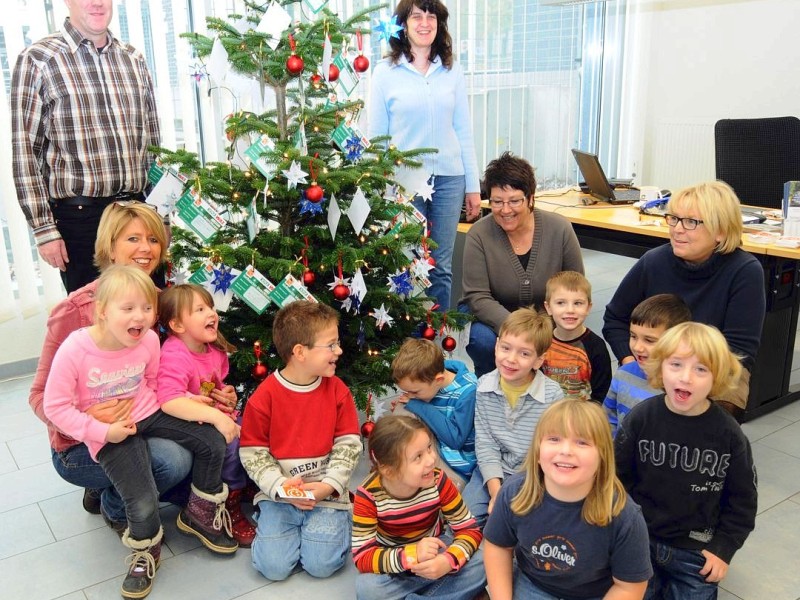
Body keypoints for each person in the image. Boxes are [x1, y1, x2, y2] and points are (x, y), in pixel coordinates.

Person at [43, 266, 238, 599]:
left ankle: (200, 512)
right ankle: (145, 550)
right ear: (102, 311)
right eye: (128, 308)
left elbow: (151, 387)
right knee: (143, 495)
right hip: (109, 431)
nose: (141, 317)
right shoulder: (76, 349)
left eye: (147, 308)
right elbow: (55, 408)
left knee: (211, 440)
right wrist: (101, 431)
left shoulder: (148, 339)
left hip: (148, 412)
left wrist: (198, 403)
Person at [28, 201, 191, 532]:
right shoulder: (75, 311)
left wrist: (208, 393)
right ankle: (115, 506)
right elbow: (39, 396)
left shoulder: (166, 303)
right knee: (171, 462)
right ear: (110, 248)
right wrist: (88, 422)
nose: (146, 248)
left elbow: (172, 373)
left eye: (154, 239)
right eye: (133, 239)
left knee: (197, 441)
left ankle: (110, 488)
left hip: (142, 422)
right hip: (80, 444)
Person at [11, 0, 160, 293]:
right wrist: (44, 230)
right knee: (93, 322)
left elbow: (154, 146)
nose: (96, 3)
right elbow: (26, 152)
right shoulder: (39, 59)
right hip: (81, 220)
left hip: (138, 214)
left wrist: (160, 215)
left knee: (148, 315)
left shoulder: (133, 59)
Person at [615, 322, 758, 599]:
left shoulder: (728, 434)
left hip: (697, 553)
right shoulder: (641, 418)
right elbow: (617, 478)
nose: (686, 378)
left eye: (701, 369)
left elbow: (743, 499)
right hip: (640, 541)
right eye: (676, 365)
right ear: (660, 368)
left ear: (717, 376)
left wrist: (723, 549)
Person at [603, 181, 765, 416]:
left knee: (702, 427)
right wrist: (630, 361)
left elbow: (739, 351)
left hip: (713, 370)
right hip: (653, 362)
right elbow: (615, 317)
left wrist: (684, 375)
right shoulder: (653, 261)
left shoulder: (745, 271)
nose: (677, 229)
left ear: (720, 231)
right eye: (674, 218)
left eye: (691, 222)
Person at [369, 0, 481, 310]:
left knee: (441, 264)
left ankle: (437, 345)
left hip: (449, 178)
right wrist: (380, 189)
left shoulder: (451, 70)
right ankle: (411, 347)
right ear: (403, 24)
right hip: (404, 182)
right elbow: (377, 138)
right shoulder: (384, 72)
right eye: (417, 15)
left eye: (431, 16)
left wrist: (473, 187)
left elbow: (463, 131)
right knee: (408, 260)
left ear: (439, 23)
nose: (424, 22)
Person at [240, 300, 362, 581]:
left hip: (327, 494)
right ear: (300, 352)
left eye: (338, 342)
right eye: (330, 345)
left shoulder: (337, 391)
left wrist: (329, 485)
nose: (339, 351)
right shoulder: (264, 398)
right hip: (280, 496)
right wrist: (281, 488)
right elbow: (253, 453)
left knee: (321, 566)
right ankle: (278, 527)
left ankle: (337, 521)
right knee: (273, 568)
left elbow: (349, 444)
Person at [483, 399, 652, 600]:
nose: (566, 451)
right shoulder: (514, 492)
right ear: (537, 451)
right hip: (534, 584)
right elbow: (498, 546)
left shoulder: (625, 516)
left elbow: (629, 587)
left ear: (603, 456)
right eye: (554, 439)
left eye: (582, 442)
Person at [460, 152, 584, 377]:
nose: (505, 210)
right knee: (485, 343)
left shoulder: (560, 229)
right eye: (497, 202)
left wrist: (541, 331)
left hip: (544, 320)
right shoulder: (479, 234)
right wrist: (520, 333)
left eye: (515, 201)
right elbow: (477, 297)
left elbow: (575, 287)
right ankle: (489, 393)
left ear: (531, 198)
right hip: (493, 318)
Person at [157, 283, 257, 547]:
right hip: (188, 423)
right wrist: (216, 416)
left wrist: (227, 394)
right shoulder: (174, 353)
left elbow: (214, 385)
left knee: (255, 432)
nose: (212, 313)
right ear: (178, 325)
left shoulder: (212, 350)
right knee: (230, 444)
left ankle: (242, 483)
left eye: (210, 306)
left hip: (214, 414)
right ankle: (230, 501)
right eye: (200, 309)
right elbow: (169, 399)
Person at [352, 415, 486, 600]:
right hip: (395, 561)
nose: (431, 460)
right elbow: (363, 556)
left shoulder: (439, 481)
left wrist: (447, 561)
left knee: (484, 562)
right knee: (367, 588)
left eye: (429, 448)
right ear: (389, 470)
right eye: (418, 457)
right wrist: (411, 555)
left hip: (436, 550)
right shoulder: (368, 495)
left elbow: (469, 530)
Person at [462, 306, 564, 526]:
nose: (511, 359)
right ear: (496, 346)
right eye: (506, 348)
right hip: (492, 471)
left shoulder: (553, 394)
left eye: (524, 353)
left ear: (538, 360)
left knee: (523, 523)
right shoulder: (483, 387)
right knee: (465, 518)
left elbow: (551, 449)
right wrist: (496, 491)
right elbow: (486, 444)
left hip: (533, 475)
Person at [391, 337, 478, 490]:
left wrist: (418, 405)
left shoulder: (468, 391)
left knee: (443, 499)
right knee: (403, 408)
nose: (411, 395)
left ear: (439, 380)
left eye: (415, 391)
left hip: (458, 466)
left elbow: (455, 439)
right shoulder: (428, 378)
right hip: (434, 450)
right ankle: (401, 469)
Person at [603, 293, 691, 436]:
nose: (637, 347)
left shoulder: (683, 386)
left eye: (649, 340)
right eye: (633, 336)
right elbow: (608, 420)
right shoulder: (623, 374)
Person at [541, 271, 611, 403]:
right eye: (561, 303)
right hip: (546, 415)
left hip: (582, 417)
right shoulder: (542, 342)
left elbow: (601, 392)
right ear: (548, 307)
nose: (570, 310)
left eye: (578, 303)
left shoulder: (596, 346)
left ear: (588, 308)